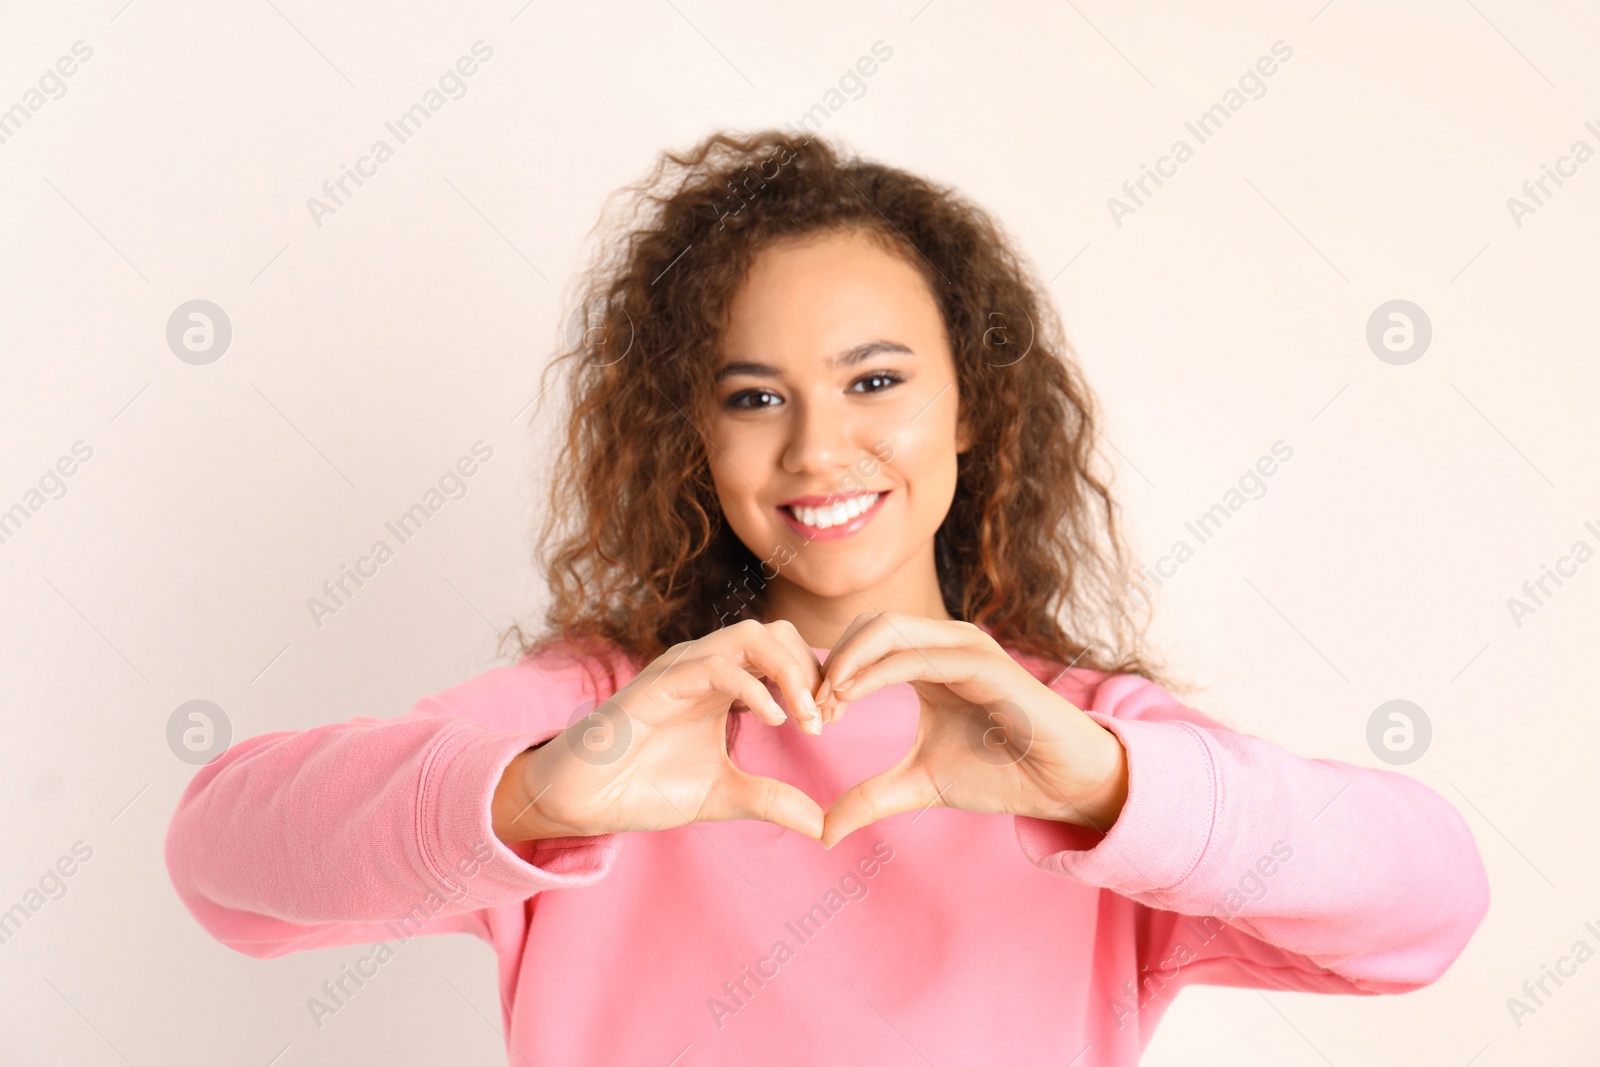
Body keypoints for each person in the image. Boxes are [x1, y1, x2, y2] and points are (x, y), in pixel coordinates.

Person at [164, 130, 1489, 1065]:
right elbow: (221, 863)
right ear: (694, 436)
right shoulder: (598, 717)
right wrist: (537, 796)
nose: (815, 450)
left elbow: (1430, 906)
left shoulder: (1076, 740)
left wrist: (1102, 783)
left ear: (972, 406)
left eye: (874, 382)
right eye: (753, 398)